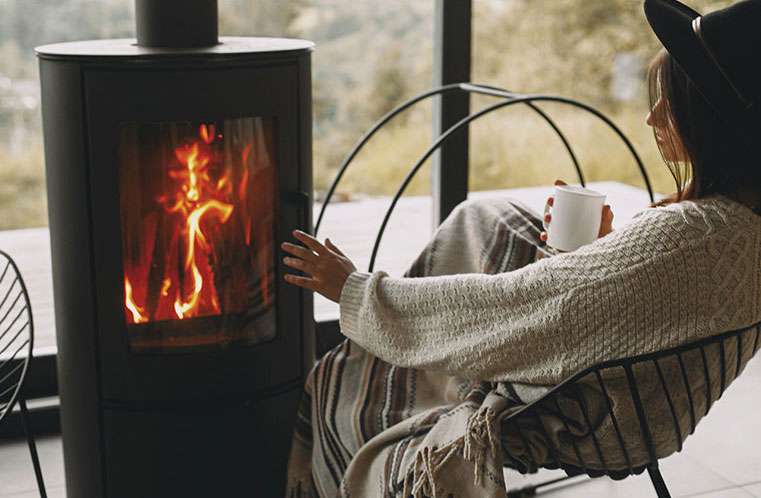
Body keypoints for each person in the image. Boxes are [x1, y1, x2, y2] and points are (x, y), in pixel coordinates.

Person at [282, 1, 761, 496]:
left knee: (340, 379)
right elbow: (617, 307)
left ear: (711, 121)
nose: (652, 117)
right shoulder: (742, 230)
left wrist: (356, 291)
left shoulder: (688, 236)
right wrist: (593, 253)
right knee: (487, 220)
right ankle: (391, 353)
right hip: (628, 401)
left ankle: (372, 383)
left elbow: (520, 309)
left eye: (671, 102)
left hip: (569, 412)